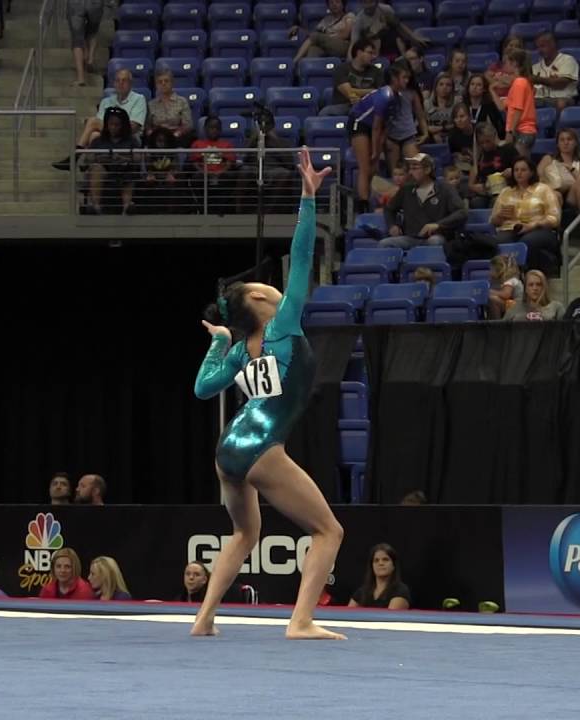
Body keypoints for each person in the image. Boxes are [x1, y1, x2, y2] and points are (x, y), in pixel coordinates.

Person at [194, 151, 346, 641]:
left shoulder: (239, 350)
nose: (274, 287)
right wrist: (307, 199)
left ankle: (203, 619)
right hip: (261, 448)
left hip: (227, 449)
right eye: (265, 285)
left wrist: (219, 343)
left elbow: (203, 388)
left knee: (245, 533)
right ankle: (300, 621)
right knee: (329, 531)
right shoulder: (281, 327)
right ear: (259, 300)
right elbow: (302, 258)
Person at [350, 62, 415, 211]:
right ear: (394, 78)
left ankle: (370, 202)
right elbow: (376, 126)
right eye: (404, 77)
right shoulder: (384, 96)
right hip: (359, 122)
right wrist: (374, 150)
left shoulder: (396, 97)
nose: (407, 81)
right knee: (365, 167)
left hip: (374, 127)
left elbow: (384, 126)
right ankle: (363, 206)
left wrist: (378, 150)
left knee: (374, 168)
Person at [54, 69, 147, 170]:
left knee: (93, 122)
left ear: (130, 83)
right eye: (118, 80)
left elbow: (134, 126)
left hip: (129, 136)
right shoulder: (106, 101)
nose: (120, 83)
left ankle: (76, 156)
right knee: (94, 134)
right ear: (114, 83)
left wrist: (111, 125)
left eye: (124, 80)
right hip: (108, 136)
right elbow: (101, 128)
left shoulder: (139, 99)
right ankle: (90, 166)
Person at [377, 153, 466, 250]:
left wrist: (438, 225)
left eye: (415, 168)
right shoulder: (406, 189)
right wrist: (392, 225)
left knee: (435, 241)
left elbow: (461, 212)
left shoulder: (445, 188)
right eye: (410, 169)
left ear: (427, 170)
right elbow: (389, 209)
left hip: (436, 236)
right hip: (411, 238)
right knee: (384, 244)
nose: (410, 172)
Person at [490, 157, 562, 277]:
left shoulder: (544, 189)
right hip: (511, 228)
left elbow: (555, 218)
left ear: (532, 172)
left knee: (527, 242)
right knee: (498, 241)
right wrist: (500, 216)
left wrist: (534, 225)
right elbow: (493, 221)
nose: (519, 173)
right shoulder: (506, 192)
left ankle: (528, 277)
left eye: (523, 170)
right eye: (516, 170)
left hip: (539, 229)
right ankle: (505, 279)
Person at [538, 129, 580, 240]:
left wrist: (572, 170)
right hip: (553, 193)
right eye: (562, 140)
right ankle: (556, 234)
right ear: (557, 143)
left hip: (573, 196)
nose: (566, 143)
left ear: (575, 143)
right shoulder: (549, 158)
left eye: (569, 139)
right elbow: (538, 178)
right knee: (555, 195)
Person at [86, 107, 141, 215]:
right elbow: (89, 158)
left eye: (117, 125)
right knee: (96, 169)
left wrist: (123, 158)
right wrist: (99, 158)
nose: (113, 127)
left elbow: (138, 158)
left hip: (124, 168)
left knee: (129, 172)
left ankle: (127, 206)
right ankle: (96, 206)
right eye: (111, 124)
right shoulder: (98, 140)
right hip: (105, 170)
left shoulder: (131, 140)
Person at [321, 39, 382, 117]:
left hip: (367, 106)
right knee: (326, 112)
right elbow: (349, 92)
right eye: (370, 53)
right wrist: (371, 91)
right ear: (359, 53)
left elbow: (380, 93)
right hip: (344, 105)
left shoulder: (377, 71)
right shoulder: (342, 69)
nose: (374, 57)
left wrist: (359, 95)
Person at [469, 123, 520, 208]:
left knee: (496, 202)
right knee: (475, 202)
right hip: (487, 191)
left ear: (494, 136)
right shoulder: (479, 156)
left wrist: (512, 171)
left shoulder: (508, 149)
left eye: (488, 141)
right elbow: (471, 183)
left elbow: (523, 167)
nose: (485, 145)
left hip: (505, 189)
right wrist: (475, 187)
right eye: (482, 143)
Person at [348, 543, 411, 610]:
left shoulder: (400, 590)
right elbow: (348, 615)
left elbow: (389, 618)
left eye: (385, 559)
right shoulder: (362, 592)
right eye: (376, 560)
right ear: (372, 566)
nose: (380, 563)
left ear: (393, 565)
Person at [531, 32, 580, 112]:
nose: (540, 50)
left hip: (563, 99)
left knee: (561, 103)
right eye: (538, 47)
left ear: (553, 44)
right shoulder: (535, 67)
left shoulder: (567, 60)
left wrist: (537, 79)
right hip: (540, 100)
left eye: (543, 46)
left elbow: (561, 84)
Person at [503, 48, 538, 155]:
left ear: (514, 63)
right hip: (523, 131)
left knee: (521, 165)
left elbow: (518, 109)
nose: (504, 65)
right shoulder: (522, 82)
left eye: (506, 62)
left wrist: (510, 131)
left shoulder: (519, 83)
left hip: (523, 131)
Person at [145, 69, 193, 147]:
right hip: (157, 138)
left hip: (177, 138)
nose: (163, 84)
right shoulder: (151, 104)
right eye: (160, 82)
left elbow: (188, 125)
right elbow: (148, 126)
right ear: (156, 85)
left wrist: (175, 135)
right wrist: (152, 135)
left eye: (166, 81)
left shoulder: (182, 101)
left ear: (172, 83)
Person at [67, 0, 104, 87]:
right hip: (95, 3)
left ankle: (81, 78)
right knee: (93, 32)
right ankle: (90, 60)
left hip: (75, 4)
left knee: (77, 40)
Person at [464, 74, 506, 143]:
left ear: (484, 89)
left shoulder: (490, 106)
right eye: (472, 84)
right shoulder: (463, 105)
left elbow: (499, 128)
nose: (474, 87)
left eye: (478, 85)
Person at [486, 35, 525, 106]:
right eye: (511, 45)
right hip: (495, 100)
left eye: (517, 46)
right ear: (505, 48)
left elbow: (514, 81)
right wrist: (501, 83)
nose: (513, 48)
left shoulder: (521, 67)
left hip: (512, 100)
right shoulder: (497, 65)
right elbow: (486, 76)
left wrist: (498, 80)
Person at [487, 254, 524, 319]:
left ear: (499, 270)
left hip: (518, 306)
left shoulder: (510, 280)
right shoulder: (509, 279)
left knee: (493, 299)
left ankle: (497, 323)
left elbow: (506, 294)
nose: (490, 272)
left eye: (492, 269)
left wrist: (491, 291)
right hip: (513, 304)